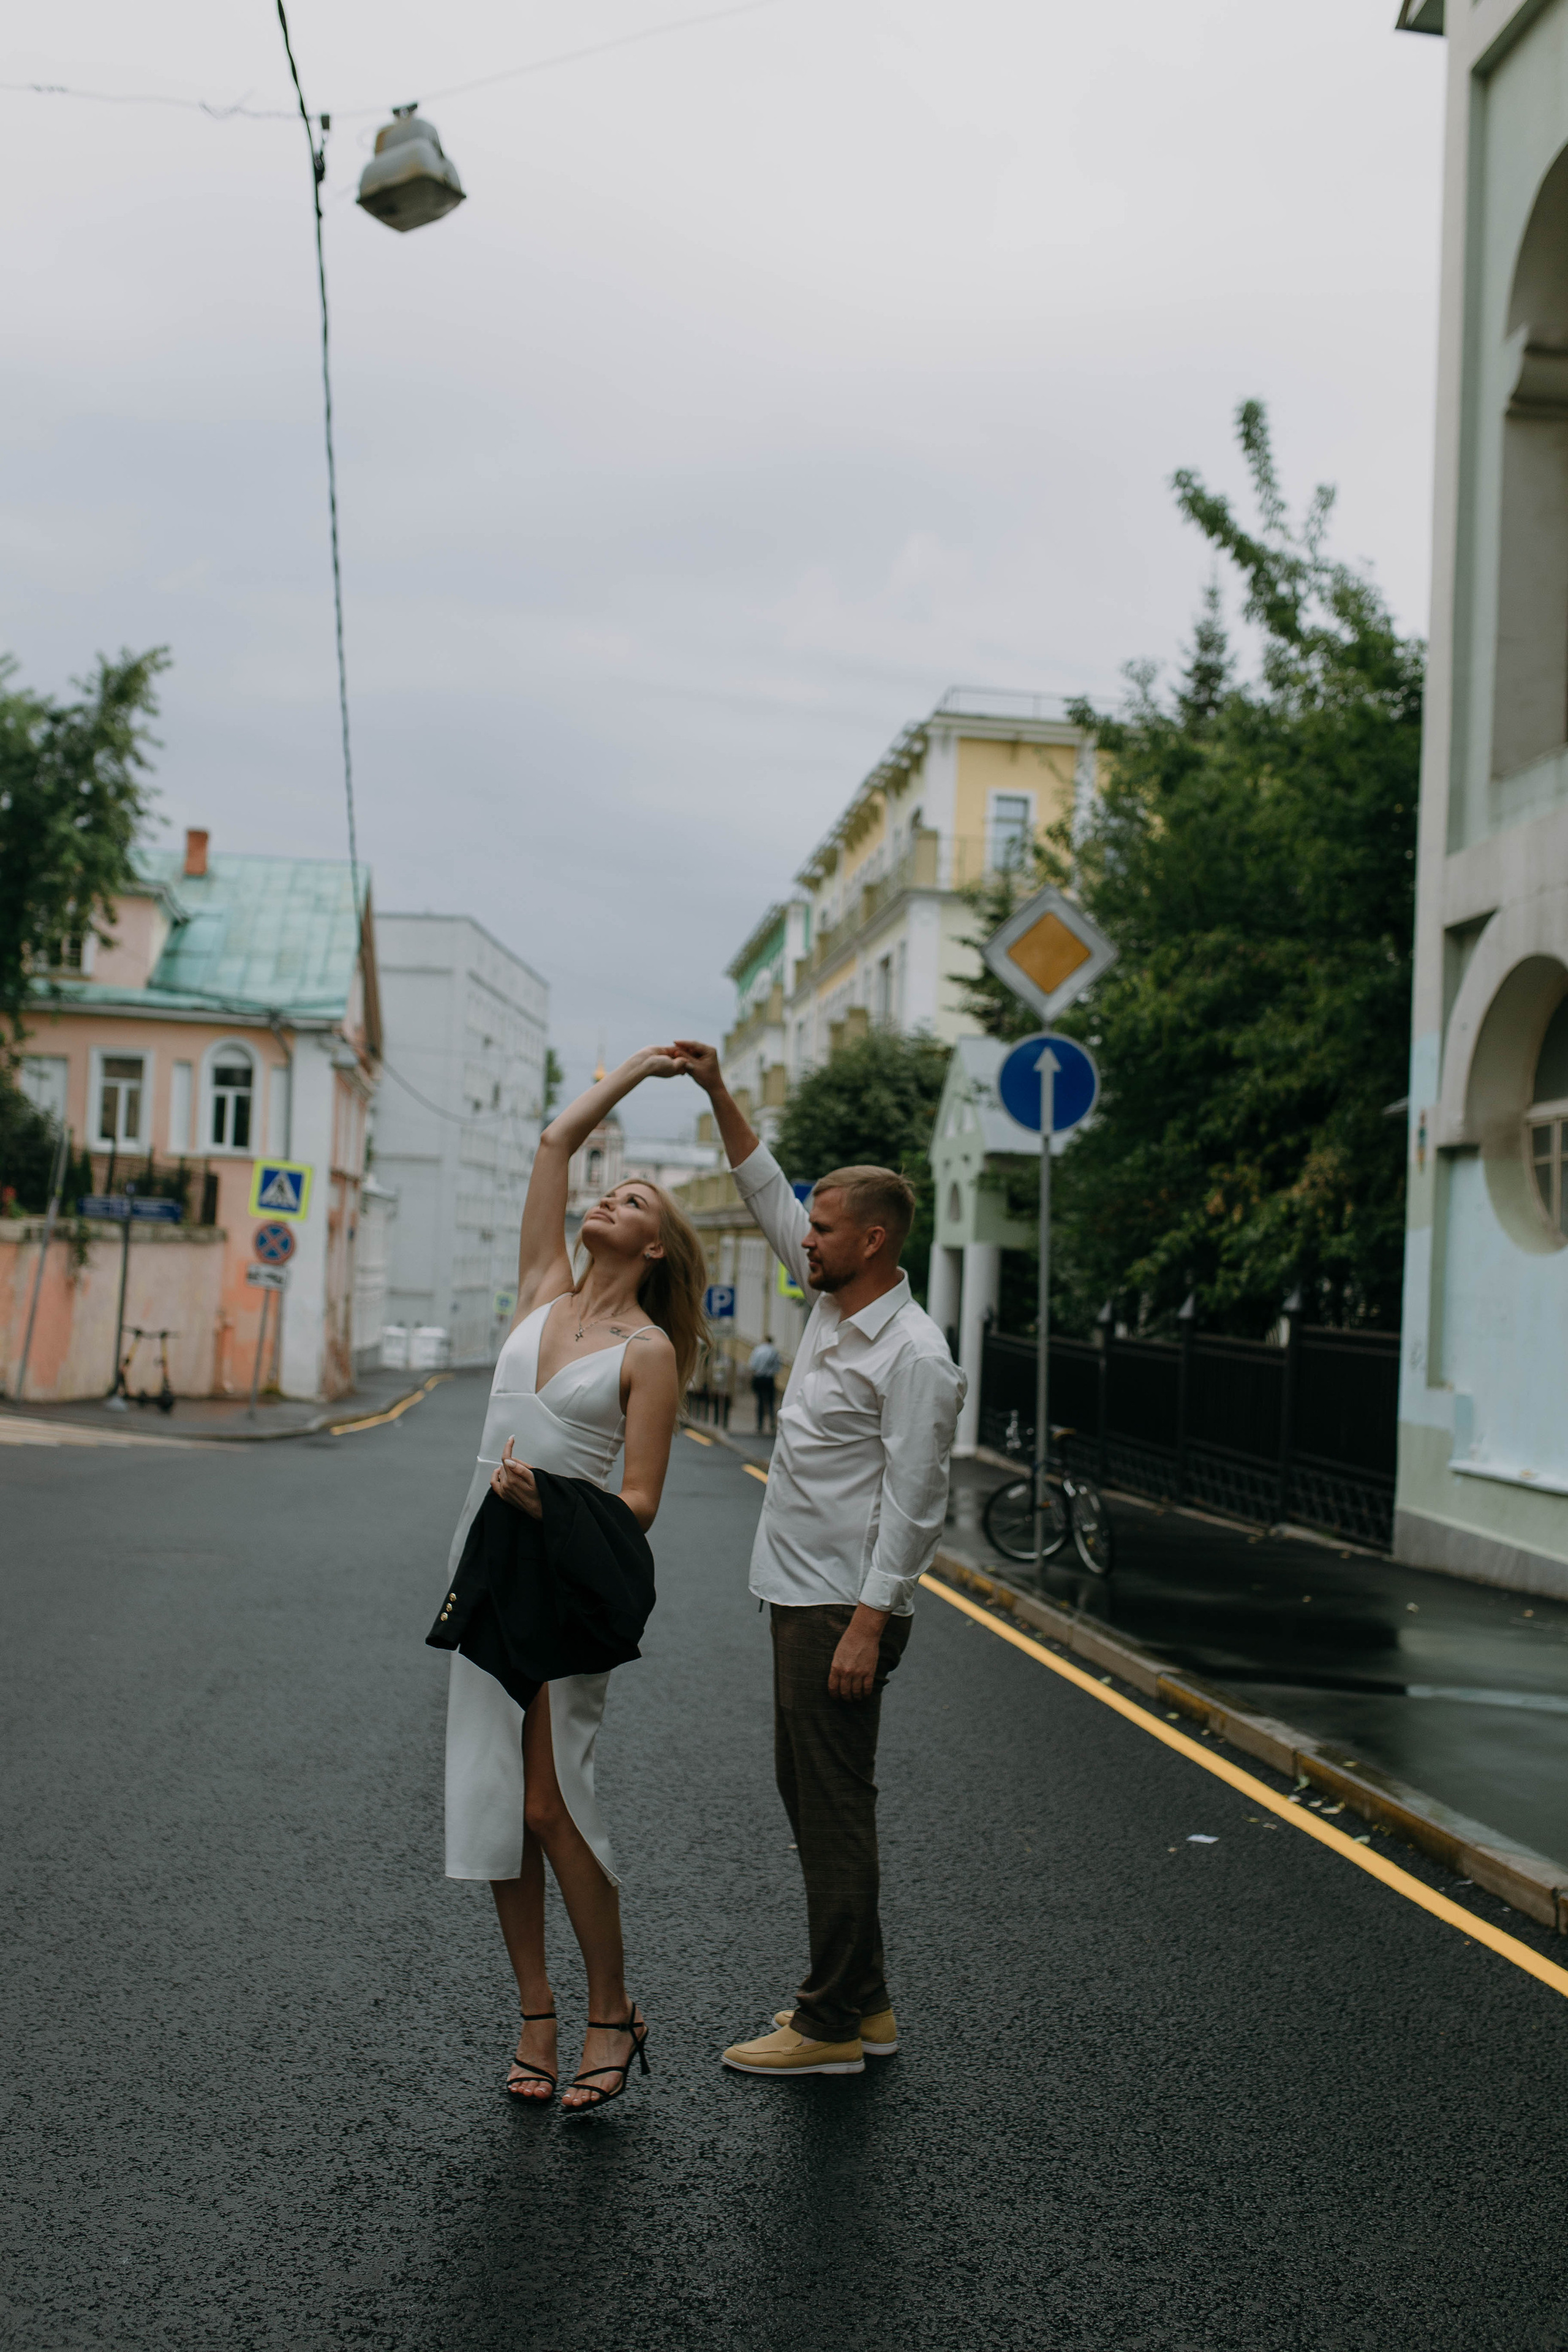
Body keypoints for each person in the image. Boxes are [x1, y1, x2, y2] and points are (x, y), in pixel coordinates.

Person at [674, 1036, 966, 2079]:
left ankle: (828, 2024)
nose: (805, 1239)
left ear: (876, 1240)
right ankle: (871, 2004)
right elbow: (765, 1193)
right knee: (814, 1798)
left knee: (835, 1809)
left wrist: (869, 1621)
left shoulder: (913, 1354)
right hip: (798, 1595)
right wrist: (716, 1090)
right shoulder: (838, 1307)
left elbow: (918, 1501)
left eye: (826, 1229)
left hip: (841, 1608)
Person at [441, 1049, 706, 2111]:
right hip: (482, 1555)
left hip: (564, 1567)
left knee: (555, 1802)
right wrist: (638, 1073)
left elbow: (640, 1502)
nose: (609, 1196)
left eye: (633, 1197)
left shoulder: (650, 1352)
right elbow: (555, 1141)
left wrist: (553, 1507)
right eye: (611, 1187)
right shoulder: (541, 1290)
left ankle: (612, 2008)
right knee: (497, 1800)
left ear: (655, 1244)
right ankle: (537, 2012)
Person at [748, 1334, 781, 1434]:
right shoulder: (774, 1352)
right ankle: (772, 1424)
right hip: (769, 1379)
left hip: (759, 1378)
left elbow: (752, 1365)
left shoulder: (758, 1350)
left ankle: (760, 1425)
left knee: (760, 1401)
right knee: (771, 1402)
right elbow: (778, 1368)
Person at [707, 1344, 734, 1430]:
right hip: (718, 1387)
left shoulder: (726, 1360)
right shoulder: (721, 1361)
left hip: (723, 1388)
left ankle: (721, 1422)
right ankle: (717, 1421)